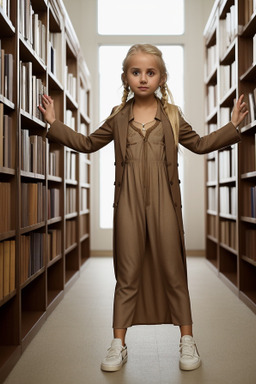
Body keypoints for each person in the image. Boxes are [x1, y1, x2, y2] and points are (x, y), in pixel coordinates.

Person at [39, 44, 248, 373]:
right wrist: (53, 123)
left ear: (162, 78)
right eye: (135, 72)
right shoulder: (118, 117)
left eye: (150, 72)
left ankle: (188, 340)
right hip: (128, 206)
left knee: (174, 269)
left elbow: (202, 144)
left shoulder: (173, 116)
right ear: (125, 77)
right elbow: (87, 143)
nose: (143, 78)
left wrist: (233, 126)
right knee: (127, 272)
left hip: (166, 204)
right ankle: (118, 344)